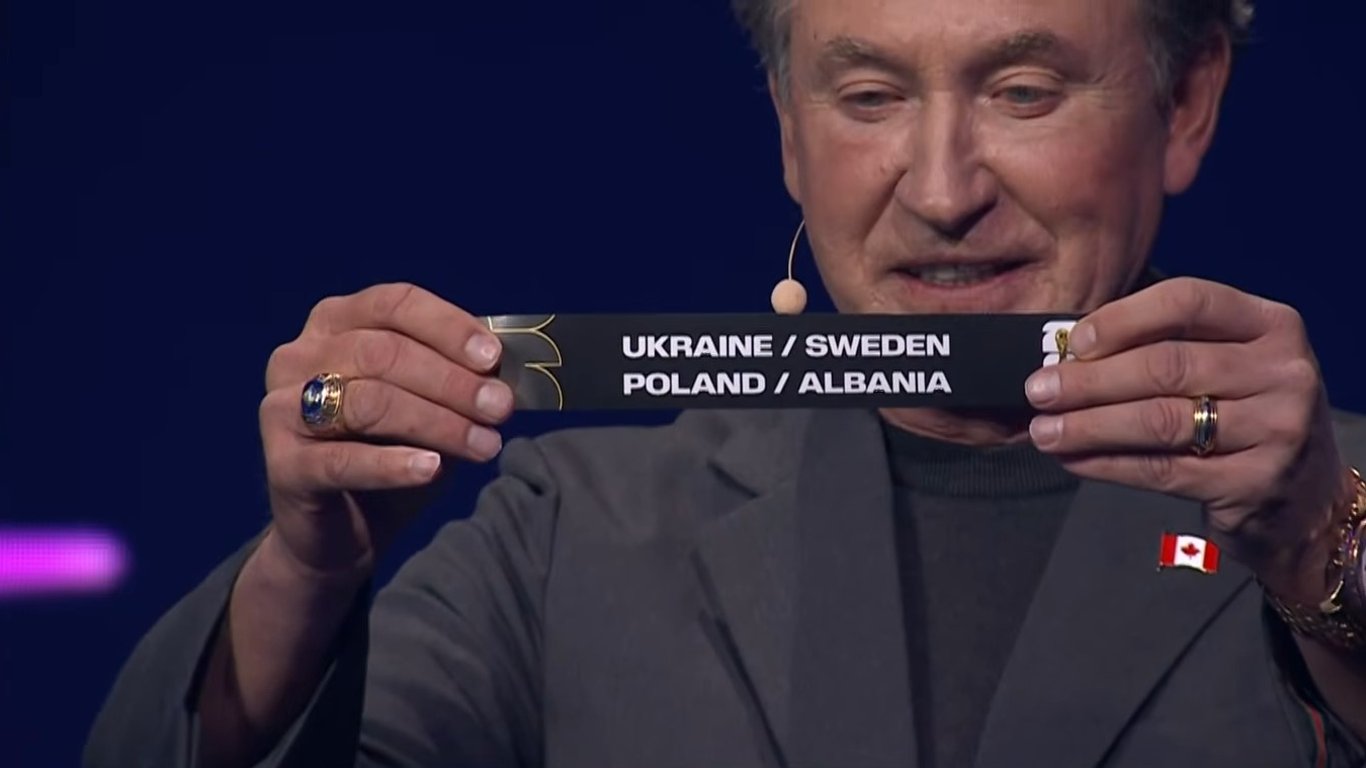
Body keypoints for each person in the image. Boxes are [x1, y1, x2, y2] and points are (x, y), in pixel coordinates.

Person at [83, 0, 1366, 766]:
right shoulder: (574, 532)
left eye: (1022, 92)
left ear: (1185, 101)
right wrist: (307, 575)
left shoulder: (1335, 507)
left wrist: (1323, 554)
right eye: (867, 95)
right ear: (788, 129)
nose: (940, 189)